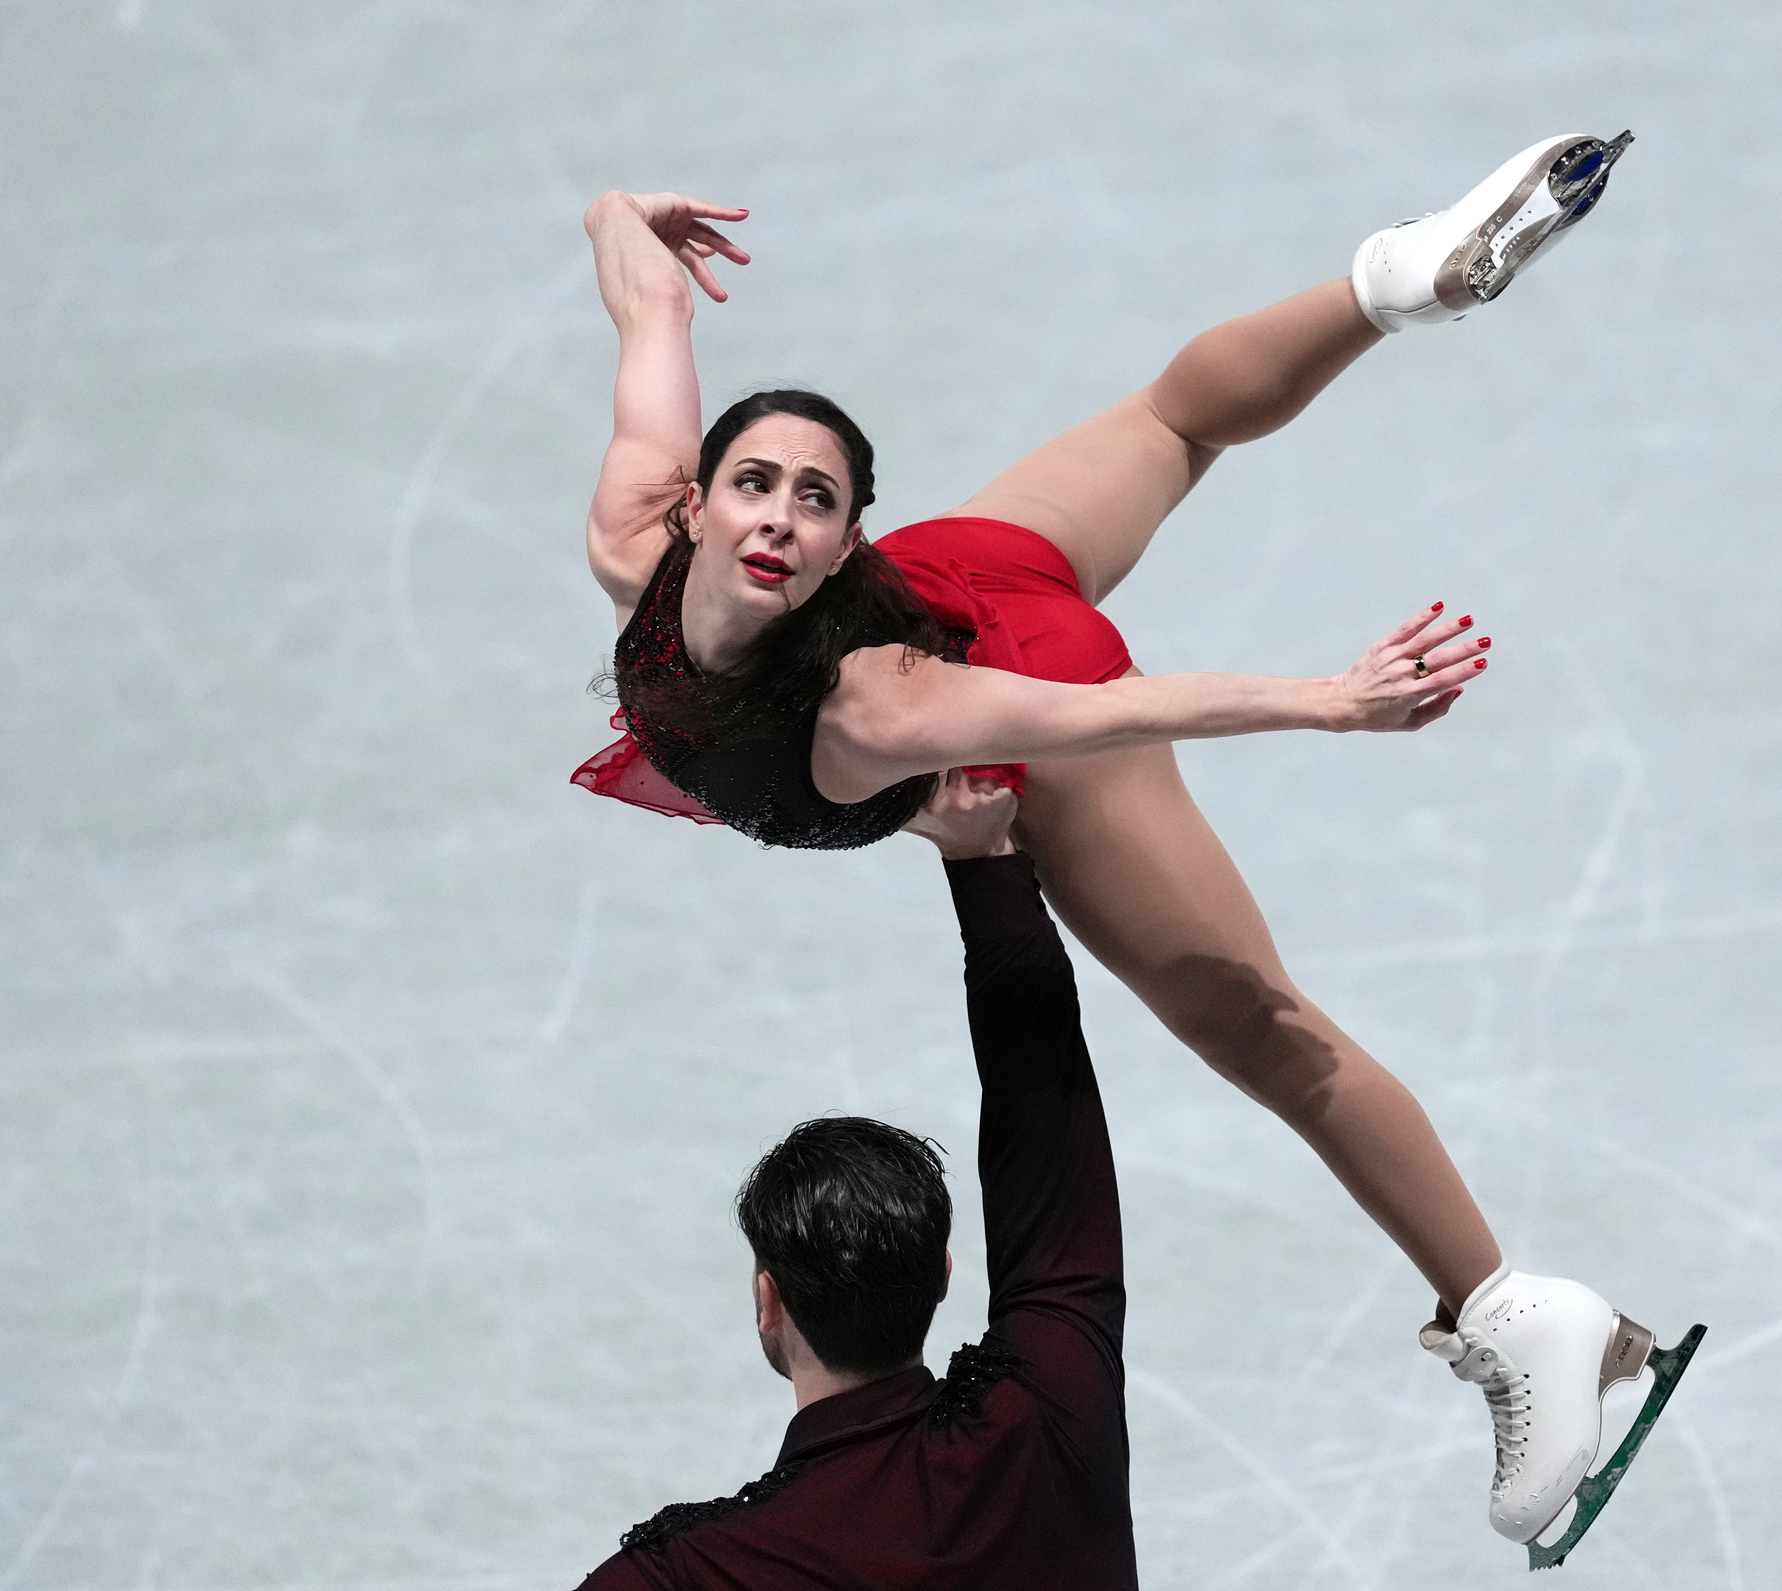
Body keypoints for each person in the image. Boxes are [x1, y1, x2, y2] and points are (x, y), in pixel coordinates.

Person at [568, 133, 1699, 1557]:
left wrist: (1327, 699)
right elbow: (648, 300)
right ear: (692, 502)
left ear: (850, 543)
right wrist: (624, 216)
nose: (780, 518)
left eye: (816, 498)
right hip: (970, 568)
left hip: (1018, 688)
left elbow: (1093, 709)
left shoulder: (874, 705)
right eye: (756, 483)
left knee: (1256, 1025)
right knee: (1172, 420)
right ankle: (1395, 282)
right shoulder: (630, 537)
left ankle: (1515, 1311)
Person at [577, 773, 1134, 1589]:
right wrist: (982, 855)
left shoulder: (687, 1576)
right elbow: (1046, 1120)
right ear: (940, 1276)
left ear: (769, 1302)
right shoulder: (1051, 1407)